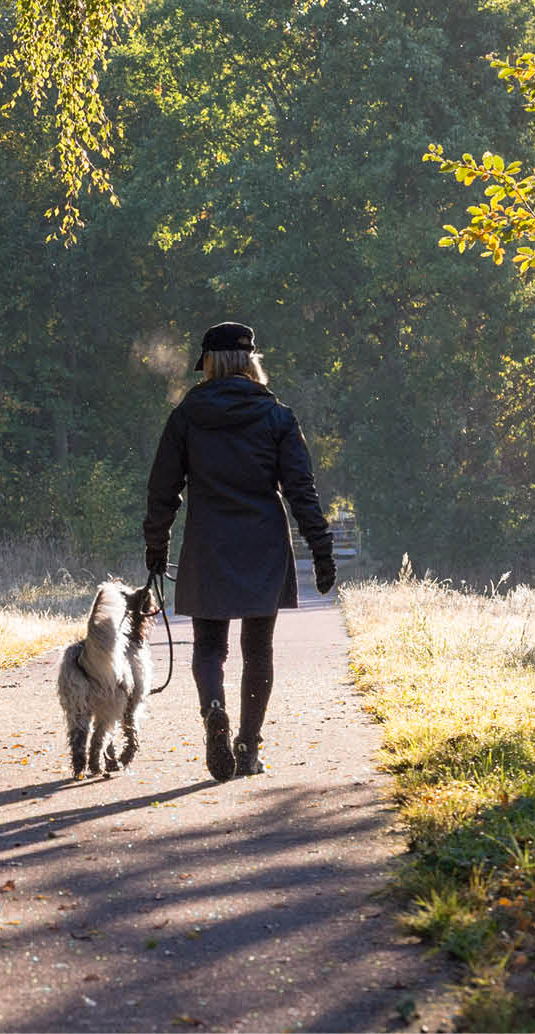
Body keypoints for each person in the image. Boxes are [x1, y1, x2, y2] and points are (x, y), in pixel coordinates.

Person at [143, 321, 335, 782]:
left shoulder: (187, 417)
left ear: (208, 362)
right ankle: (247, 748)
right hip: (263, 543)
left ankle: (213, 710)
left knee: (210, 647)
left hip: (208, 541)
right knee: (258, 649)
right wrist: (321, 548)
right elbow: (300, 490)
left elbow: (162, 490)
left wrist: (157, 544)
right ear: (252, 361)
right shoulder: (278, 417)